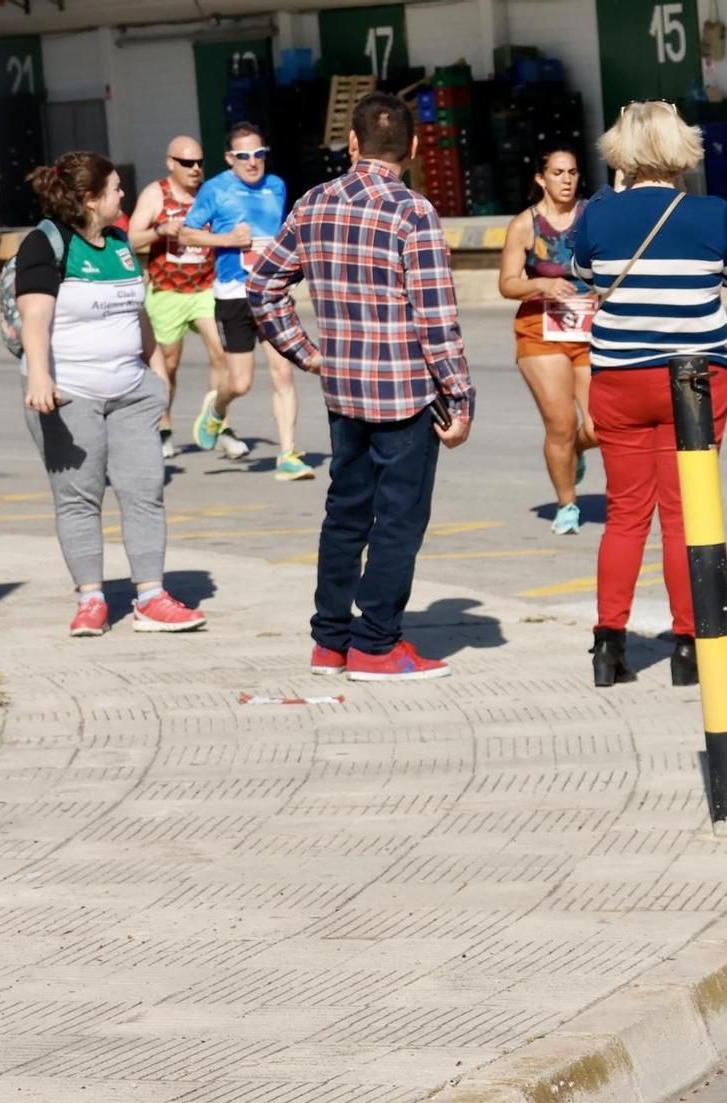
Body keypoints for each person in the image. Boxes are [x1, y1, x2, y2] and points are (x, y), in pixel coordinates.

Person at [249, 91, 474, 683]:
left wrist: (307, 353)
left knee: (345, 514)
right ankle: (376, 643)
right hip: (404, 396)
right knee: (398, 520)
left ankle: (330, 641)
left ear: (351, 144)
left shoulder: (314, 203)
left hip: (343, 393)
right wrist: (459, 397)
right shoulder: (413, 213)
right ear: (416, 147)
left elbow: (263, 287)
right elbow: (436, 319)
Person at [569, 101, 727, 688]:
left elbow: (583, 278)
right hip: (693, 376)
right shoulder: (712, 212)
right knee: (683, 515)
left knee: (625, 514)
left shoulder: (597, 215)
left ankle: (608, 644)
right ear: (681, 149)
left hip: (619, 378)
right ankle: (689, 645)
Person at [15, 152, 208, 636]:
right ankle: (92, 599)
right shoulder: (45, 243)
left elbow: (136, 313)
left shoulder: (120, 241)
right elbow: (34, 317)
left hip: (130, 391)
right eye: (117, 189)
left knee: (145, 492)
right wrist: (40, 377)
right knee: (79, 498)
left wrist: (158, 374)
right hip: (69, 391)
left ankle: (151, 596)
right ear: (89, 198)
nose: (124, 196)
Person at [179, 122, 312, 480]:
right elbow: (185, 233)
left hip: (272, 293)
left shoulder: (277, 186)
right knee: (240, 383)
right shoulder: (215, 189)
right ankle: (217, 409)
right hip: (234, 296)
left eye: (259, 155)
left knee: (284, 372)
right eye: (244, 156)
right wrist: (226, 241)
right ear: (229, 158)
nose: (253, 163)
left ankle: (287, 454)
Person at [498, 145, 598, 535]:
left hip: (588, 329)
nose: (567, 180)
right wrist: (541, 283)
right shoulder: (526, 224)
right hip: (540, 331)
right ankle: (567, 503)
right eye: (557, 173)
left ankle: (572, 453)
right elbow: (507, 284)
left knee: (600, 424)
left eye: (572, 172)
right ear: (540, 179)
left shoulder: (592, 216)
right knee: (561, 423)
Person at [126, 135, 238, 462]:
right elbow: (131, 238)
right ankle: (163, 426)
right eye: (187, 163)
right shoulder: (155, 194)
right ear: (170, 163)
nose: (195, 169)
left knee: (223, 353)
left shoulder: (210, 193)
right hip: (167, 291)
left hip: (205, 287)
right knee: (168, 364)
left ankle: (220, 424)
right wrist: (160, 231)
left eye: (200, 162)